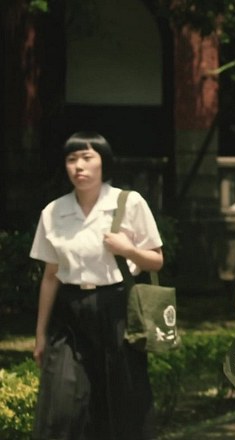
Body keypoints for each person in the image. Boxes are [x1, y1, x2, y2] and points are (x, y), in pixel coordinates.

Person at [30, 131, 164, 439]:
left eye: (87, 158)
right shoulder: (54, 212)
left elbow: (156, 260)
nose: (79, 166)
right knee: (61, 403)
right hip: (69, 313)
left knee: (123, 398)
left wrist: (128, 250)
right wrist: (40, 334)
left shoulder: (128, 203)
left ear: (104, 162)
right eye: (71, 159)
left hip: (117, 308)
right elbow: (50, 275)